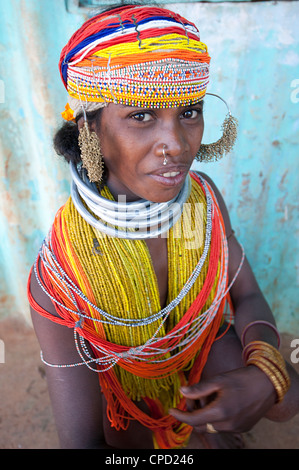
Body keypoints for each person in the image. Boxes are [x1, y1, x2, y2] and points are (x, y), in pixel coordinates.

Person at [28, 3, 299, 450]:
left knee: (286, 398)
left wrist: (263, 372)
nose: (175, 144)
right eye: (141, 115)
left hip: (199, 346)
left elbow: (245, 293)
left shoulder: (202, 201)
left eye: (189, 112)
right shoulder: (60, 273)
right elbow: (79, 442)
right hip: (122, 387)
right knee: (133, 437)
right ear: (89, 130)